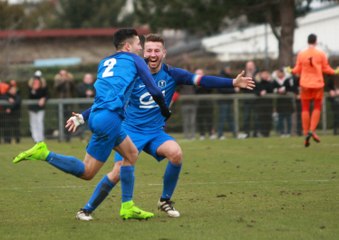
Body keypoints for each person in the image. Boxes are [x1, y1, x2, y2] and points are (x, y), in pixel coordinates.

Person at [67, 34, 255, 221]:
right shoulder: (133, 73)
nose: (152, 54)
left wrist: (232, 82)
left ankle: (165, 200)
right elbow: (108, 102)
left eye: (157, 50)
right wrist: (82, 118)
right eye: (148, 50)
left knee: (176, 154)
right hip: (129, 131)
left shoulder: (173, 74)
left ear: (164, 53)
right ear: (143, 53)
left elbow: (202, 80)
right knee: (117, 172)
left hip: (155, 132)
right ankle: (86, 209)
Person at [12, 28, 171, 220]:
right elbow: (153, 89)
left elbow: (102, 99)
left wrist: (81, 118)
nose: (141, 47)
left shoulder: (104, 63)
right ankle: (45, 154)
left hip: (100, 116)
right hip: (110, 120)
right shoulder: (134, 59)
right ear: (128, 46)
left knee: (131, 154)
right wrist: (164, 109)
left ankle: (127, 206)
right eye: (139, 44)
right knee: (87, 172)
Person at [289, 33, 339, 147]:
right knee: (317, 107)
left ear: (308, 41)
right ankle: (312, 130)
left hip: (305, 84)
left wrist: (290, 70)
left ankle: (306, 133)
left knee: (305, 108)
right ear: (316, 41)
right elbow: (326, 68)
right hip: (317, 84)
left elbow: (297, 69)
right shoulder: (320, 53)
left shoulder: (301, 54)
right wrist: (335, 71)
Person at [272, 68, 298, 137]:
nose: (279, 74)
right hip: (280, 103)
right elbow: (272, 88)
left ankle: (289, 132)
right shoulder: (274, 81)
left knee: (288, 118)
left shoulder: (288, 80)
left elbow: (292, 88)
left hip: (288, 102)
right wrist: (277, 90)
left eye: (280, 73)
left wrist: (285, 90)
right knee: (280, 118)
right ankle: (282, 132)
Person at [217, 66, 239, 139]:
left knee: (230, 118)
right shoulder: (222, 77)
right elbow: (222, 90)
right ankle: (220, 134)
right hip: (223, 101)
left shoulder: (228, 77)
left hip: (228, 101)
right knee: (222, 118)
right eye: (228, 69)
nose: (230, 71)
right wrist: (234, 90)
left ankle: (235, 133)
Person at [239, 61, 258, 139]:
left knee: (255, 117)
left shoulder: (257, 74)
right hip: (246, 100)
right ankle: (246, 133)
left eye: (251, 66)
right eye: (248, 66)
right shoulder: (243, 75)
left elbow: (258, 86)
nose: (250, 67)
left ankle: (255, 133)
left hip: (256, 100)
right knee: (246, 117)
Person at [54, 69, 75, 141]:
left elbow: (73, 88)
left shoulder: (70, 80)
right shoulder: (57, 81)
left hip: (68, 102)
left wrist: (68, 81)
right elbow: (57, 88)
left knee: (68, 119)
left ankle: (68, 137)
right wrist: (63, 81)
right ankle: (60, 136)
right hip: (60, 102)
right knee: (60, 119)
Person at [27, 72, 48, 143]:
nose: (36, 80)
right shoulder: (30, 87)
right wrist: (34, 89)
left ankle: (40, 138)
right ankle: (35, 138)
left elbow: (47, 95)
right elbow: (31, 96)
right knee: (33, 123)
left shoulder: (44, 87)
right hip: (32, 108)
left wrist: (43, 99)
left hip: (40, 108)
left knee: (39, 122)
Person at [195, 68, 216, 140]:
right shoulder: (193, 83)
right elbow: (195, 91)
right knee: (200, 120)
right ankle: (202, 134)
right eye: (197, 74)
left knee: (209, 119)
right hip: (198, 104)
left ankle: (211, 134)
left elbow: (210, 90)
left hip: (208, 103)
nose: (198, 75)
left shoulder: (207, 82)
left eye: (200, 73)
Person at [254, 70, 274, 137]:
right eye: (264, 74)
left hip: (268, 105)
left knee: (268, 119)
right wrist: (260, 93)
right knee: (261, 119)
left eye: (266, 74)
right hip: (260, 105)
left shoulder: (270, 83)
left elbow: (272, 90)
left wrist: (269, 82)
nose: (265, 75)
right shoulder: (257, 83)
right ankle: (260, 133)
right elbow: (255, 91)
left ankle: (267, 133)